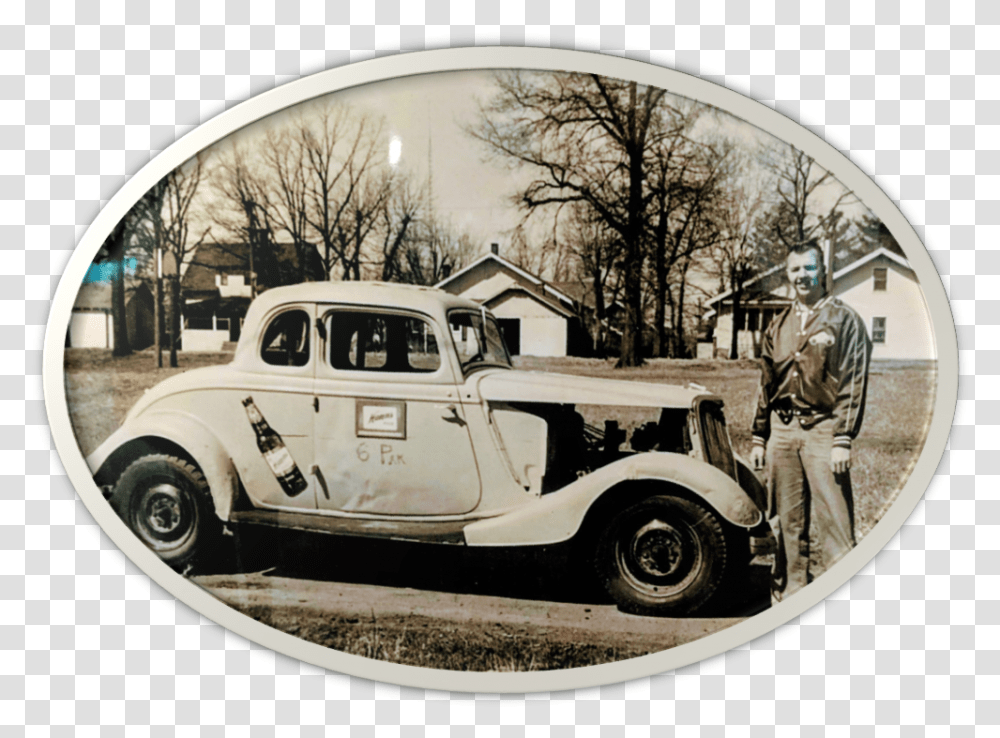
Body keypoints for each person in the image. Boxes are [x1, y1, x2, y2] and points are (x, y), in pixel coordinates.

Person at [748, 241, 872, 603]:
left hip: (823, 430)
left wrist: (842, 438)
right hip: (782, 433)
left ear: (823, 271)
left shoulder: (844, 320)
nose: (802, 276)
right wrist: (759, 436)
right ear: (787, 275)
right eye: (795, 270)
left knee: (834, 518)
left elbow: (854, 380)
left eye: (809, 268)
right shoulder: (779, 324)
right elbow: (766, 382)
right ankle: (790, 596)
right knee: (785, 520)